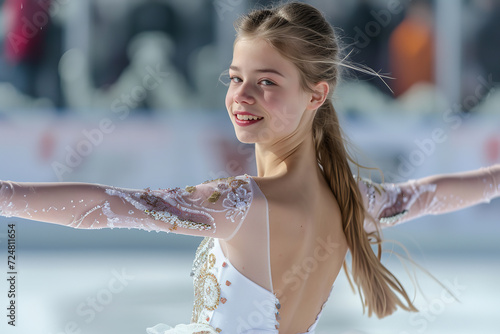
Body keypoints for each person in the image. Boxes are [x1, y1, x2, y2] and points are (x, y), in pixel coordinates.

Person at [0, 2, 499, 333]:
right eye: (236, 77)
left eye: (267, 81)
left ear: (316, 94)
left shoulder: (240, 202)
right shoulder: (354, 200)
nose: (241, 95)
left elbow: (108, 208)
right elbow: (431, 194)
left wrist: (6, 195)